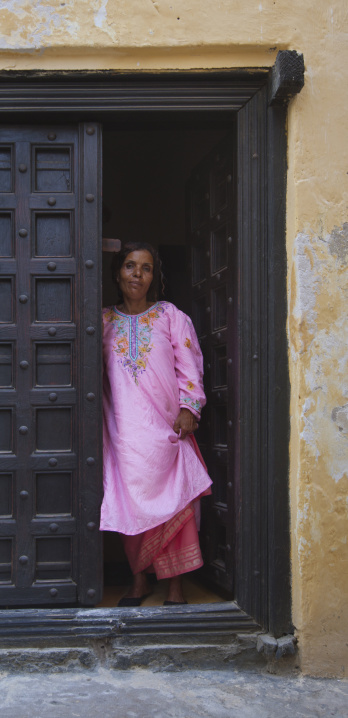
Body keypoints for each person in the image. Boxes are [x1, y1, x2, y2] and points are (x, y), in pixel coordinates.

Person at [100, 241, 212, 606]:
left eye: (146, 268)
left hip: (167, 428)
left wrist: (189, 408)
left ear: (154, 276)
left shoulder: (169, 316)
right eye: (130, 266)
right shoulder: (103, 321)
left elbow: (190, 365)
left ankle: (175, 586)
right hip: (125, 433)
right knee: (129, 501)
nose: (137, 274)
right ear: (118, 273)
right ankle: (139, 581)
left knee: (175, 500)